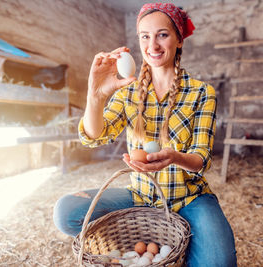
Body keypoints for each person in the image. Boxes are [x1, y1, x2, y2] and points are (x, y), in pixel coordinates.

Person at [53, 3, 237, 266]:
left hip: (190, 198)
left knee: (221, 262)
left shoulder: (201, 92)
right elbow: (94, 137)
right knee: (66, 212)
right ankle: (160, 242)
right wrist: (95, 95)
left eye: (162, 34)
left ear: (179, 40)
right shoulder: (127, 92)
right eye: (145, 36)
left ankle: (181, 243)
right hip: (140, 195)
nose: (153, 45)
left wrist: (174, 157)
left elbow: (202, 160)